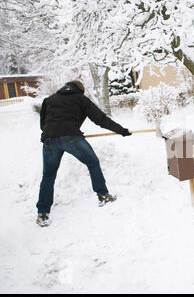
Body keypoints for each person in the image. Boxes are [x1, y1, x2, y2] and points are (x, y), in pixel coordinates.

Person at [35, 80, 132, 227]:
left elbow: (43, 125)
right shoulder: (80, 99)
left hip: (49, 140)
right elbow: (101, 119)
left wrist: (57, 132)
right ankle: (103, 195)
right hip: (71, 138)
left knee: (48, 175)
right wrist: (122, 131)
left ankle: (42, 213)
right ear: (80, 90)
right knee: (93, 163)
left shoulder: (49, 100)